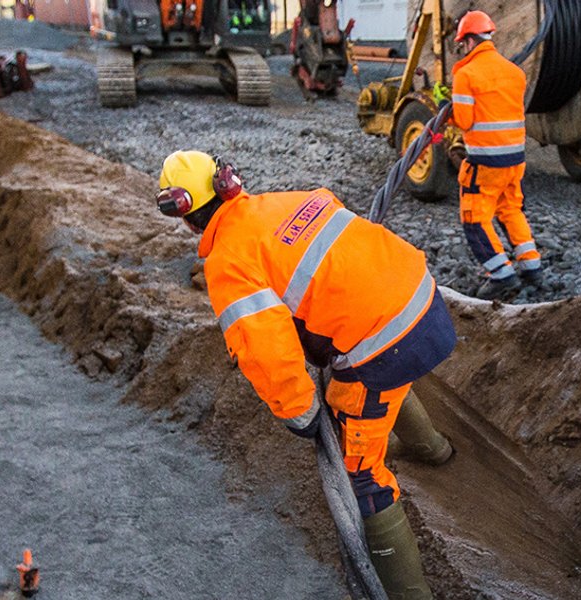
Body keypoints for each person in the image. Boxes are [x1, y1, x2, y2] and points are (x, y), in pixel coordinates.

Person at [156, 150, 455, 599]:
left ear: (186, 216)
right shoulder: (288, 200)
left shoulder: (228, 264)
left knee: (362, 478)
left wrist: (302, 416)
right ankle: (433, 449)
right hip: (422, 300)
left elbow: (268, 356)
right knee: (373, 382)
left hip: (384, 347)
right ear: (228, 182)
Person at [435, 10, 543, 301]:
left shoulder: (466, 74)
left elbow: (466, 120)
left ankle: (501, 274)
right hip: (515, 160)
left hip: (485, 162)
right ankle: (532, 267)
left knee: (475, 219)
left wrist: (446, 104)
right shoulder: (514, 72)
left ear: (469, 40)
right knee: (510, 210)